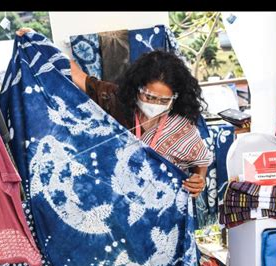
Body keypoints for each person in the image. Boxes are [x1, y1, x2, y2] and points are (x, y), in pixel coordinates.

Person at [70, 49, 213, 197]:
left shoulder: (180, 125)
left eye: (164, 100)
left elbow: (201, 160)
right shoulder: (113, 100)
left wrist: (199, 179)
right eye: (149, 97)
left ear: (175, 98)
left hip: (161, 204)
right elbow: (76, 74)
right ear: (137, 88)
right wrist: (45, 47)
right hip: (115, 196)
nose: (155, 104)